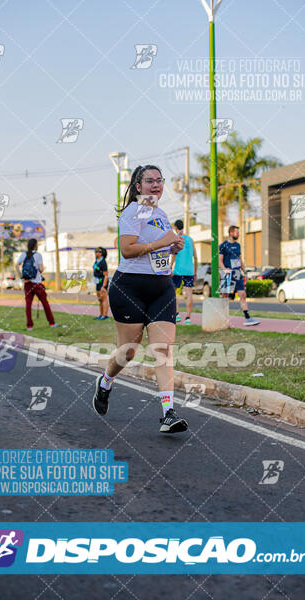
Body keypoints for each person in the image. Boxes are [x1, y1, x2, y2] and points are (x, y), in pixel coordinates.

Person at [92, 164, 189, 434]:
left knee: (163, 349)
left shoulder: (162, 214)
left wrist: (174, 247)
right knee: (128, 351)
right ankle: (105, 382)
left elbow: (161, 247)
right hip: (129, 288)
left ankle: (168, 413)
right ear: (138, 186)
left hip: (161, 287)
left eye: (159, 180)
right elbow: (128, 250)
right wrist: (163, 243)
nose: (156, 185)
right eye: (150, 181)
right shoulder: (132, 213)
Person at [219, 225, 260, 326]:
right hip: (228, 274)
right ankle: (222, 319)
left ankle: (248, 318)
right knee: (225, 296)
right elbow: (220, 260)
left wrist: (244, 271)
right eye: (237, 232)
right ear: (231, 233)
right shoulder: (223, 245)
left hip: (237, 273)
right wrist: (225, 269)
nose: (238, 234)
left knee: (243, 295)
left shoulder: (238, 245)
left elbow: (240, 259)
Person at [16, 238, 58, 331]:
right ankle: (52, 323)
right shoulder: (38, 255)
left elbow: (16, 265)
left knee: (28, 305)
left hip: (27, 284)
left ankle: (29, 326)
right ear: (35, 245)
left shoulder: (23, 254)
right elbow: (41, 269)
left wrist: (22, 277)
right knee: (45, 303)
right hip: (37, 283)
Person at [171, 219, 198, 325]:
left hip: (178, 270)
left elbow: (174, 254)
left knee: (173, 292)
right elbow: (195, 257)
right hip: (189, 271)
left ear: (175, 228)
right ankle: (188, 318)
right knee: (189, 294)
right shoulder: (190, 239)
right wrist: (195, 271)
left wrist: (169, 267)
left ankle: (177, 314)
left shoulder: (177, 239)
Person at [93, 247, 109, 321]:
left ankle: (105, 315)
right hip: (97, 281)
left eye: (98, 252)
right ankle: (101, 314)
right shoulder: (96, 261)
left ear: (101, 253)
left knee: (104, 298)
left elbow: (106, 275)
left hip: (102, 281)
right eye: (95, 252)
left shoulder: (103, 262)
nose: (96, 253)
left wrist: (104, 286)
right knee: (100, 299)